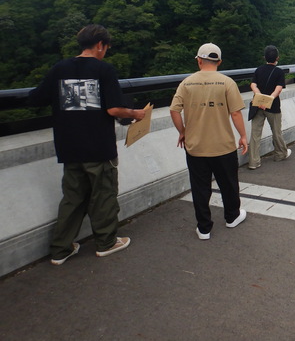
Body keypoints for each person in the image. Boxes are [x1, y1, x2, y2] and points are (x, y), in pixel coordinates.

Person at [28, 24, 146, 265]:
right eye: (106, 48)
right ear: (101, 45)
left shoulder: (59, 68)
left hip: (68, 145)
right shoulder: (104, 69)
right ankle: (106, 243)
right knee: (103, 195)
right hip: (98, 146)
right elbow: (113, 109)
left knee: (72, 198)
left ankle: (60, 249)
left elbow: (36, 98)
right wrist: (136, 113)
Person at [170, 43, 248, 240]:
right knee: (229, 185)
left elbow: (174, 110)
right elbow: (236, 113)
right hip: (223, 146)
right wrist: (243, 136)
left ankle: (204, 228)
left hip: (196, 147)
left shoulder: (186, 83)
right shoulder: (227, 83)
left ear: (198, 60)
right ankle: (232, 217)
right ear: (219, 62)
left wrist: (183, 132)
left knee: (200, 188)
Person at [248, 45, 291, 170]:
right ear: (277, 58)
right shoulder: (278, 72)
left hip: (257, 105)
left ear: (264, 57)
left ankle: (253, 162)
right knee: (276, 131)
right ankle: (280, 154)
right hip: (273, 106)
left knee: (255, 134)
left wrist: (259, 95)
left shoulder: (259, 70)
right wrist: (269, 98)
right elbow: (278, 89)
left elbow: (253, 84)